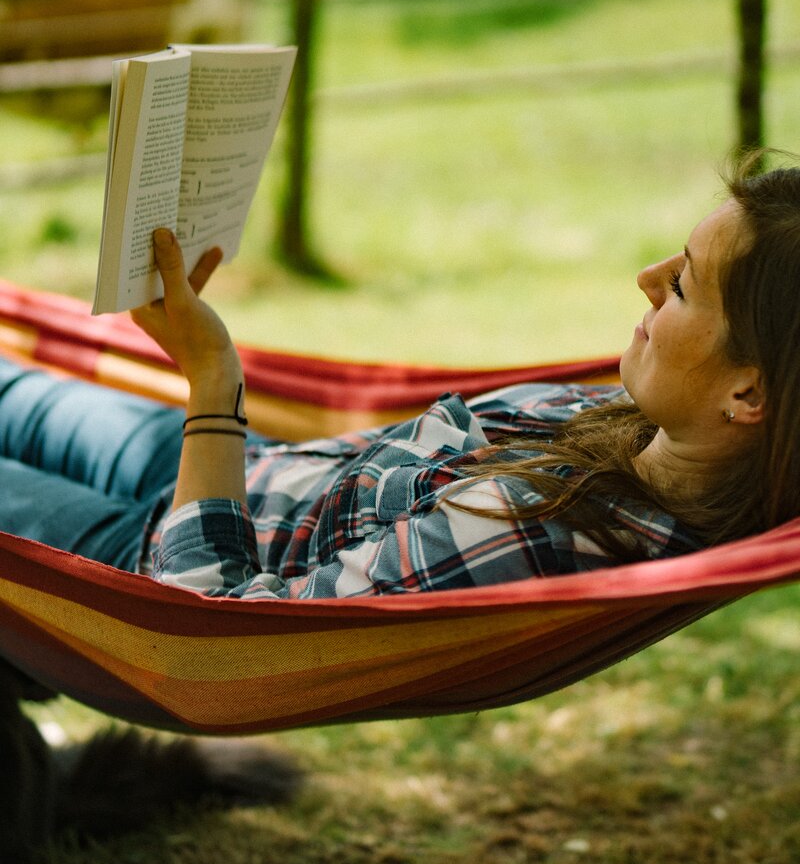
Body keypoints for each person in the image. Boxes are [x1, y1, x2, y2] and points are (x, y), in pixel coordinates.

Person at [0, 159, 798, 603]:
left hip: (150, 555)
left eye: (685, 286)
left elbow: (201, 638)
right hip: (247, 470)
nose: (647, 279)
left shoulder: (528, 531)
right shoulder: (642, 428)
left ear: (750, 395)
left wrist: (213, 379)